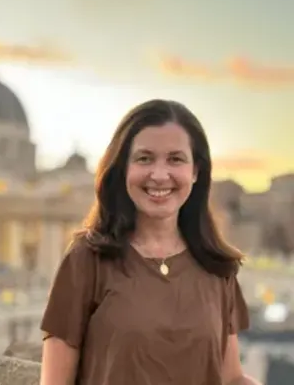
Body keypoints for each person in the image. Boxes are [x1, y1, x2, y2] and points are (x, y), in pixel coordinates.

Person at [39, 99, 261, 385]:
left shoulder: (218, 268)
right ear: (123, 169)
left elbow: (231, 379)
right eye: (144, 158)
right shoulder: (86, 260)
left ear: (195, 171)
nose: (159, 175)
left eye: (175, 159)